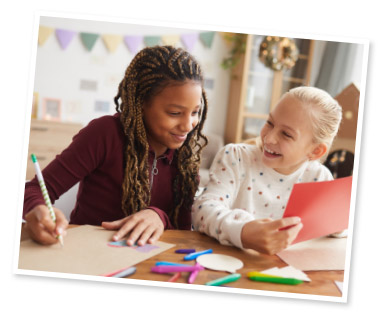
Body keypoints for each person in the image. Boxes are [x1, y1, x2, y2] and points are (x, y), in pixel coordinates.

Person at [24, 45, 208, 246]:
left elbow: (182, 234)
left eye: (195, 112)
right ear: (141, 103)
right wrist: (38, 210)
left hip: (147, 261)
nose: (188, 125)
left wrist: (159, 217)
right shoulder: (104, 134)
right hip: (88, 252)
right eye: (174, 113)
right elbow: (35, 189)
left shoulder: (186, 158)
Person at [192, 86, 343, 255]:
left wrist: (338, 224)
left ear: (315, 151)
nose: (269, 138)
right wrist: (242, 231)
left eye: (286, 134)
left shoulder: (319, 176)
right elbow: (202, 210)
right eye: (270, 123)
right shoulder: (236, 157)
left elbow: (337, 229)